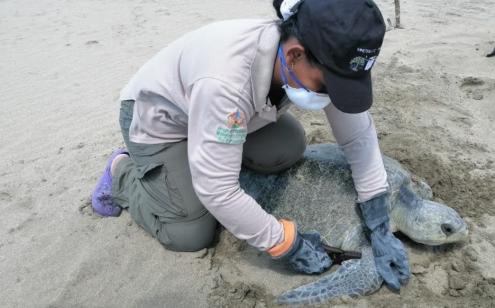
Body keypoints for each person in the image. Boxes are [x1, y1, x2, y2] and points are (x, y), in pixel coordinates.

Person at [92, 0, 410, 290]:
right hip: (158, 121)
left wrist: (378, 216)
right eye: (330, 85)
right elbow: (217, 189)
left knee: (288, 145)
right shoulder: (226, 82)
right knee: (190, 233)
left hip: (219, 117)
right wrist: (286, 243)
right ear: (295, 54)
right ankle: (121, 171)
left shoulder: (312, 53)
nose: (334, 96)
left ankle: (205, 157)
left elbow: (358, 137)